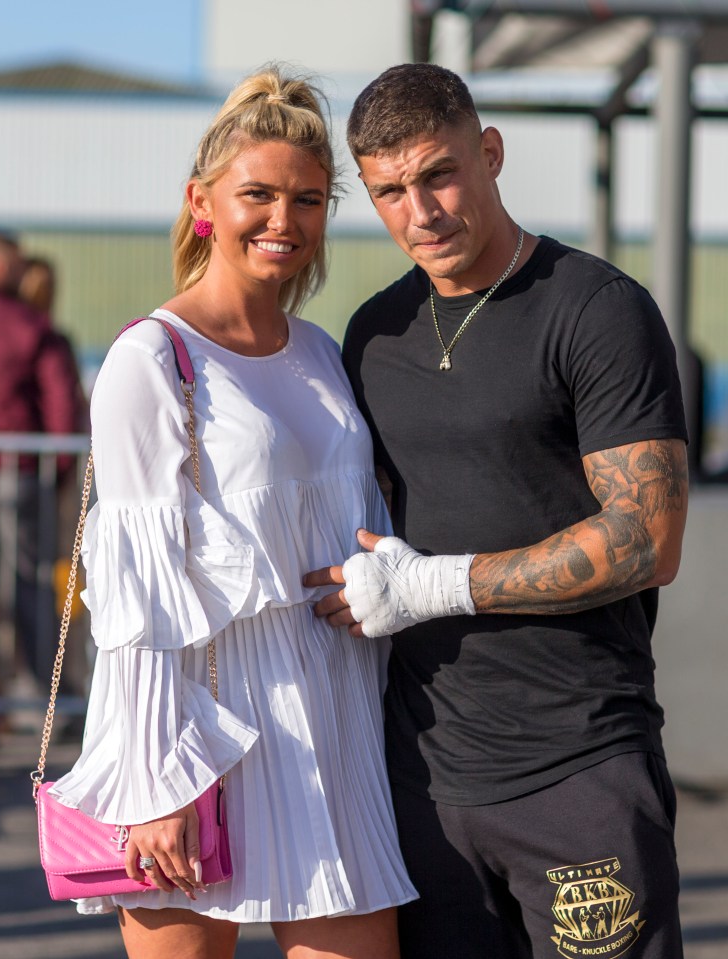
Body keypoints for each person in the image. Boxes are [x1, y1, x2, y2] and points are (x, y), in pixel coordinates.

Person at [305, 63, 689, 958]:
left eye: (439, 175)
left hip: (579, 758)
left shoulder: (597, 309)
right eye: (391, 191)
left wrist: (438, 585)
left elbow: (650, 538)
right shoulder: (374, 333)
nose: (421, 213)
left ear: (490, 152)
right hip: (424, 777)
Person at [48, 66, 416, 959]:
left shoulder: (326, 356)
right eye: (257, 194)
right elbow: (135, 594)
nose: (283, 221)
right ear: (202, 202)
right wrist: (156, 783)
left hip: (331, 726)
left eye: (308, 198)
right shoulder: (153, 358)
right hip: (200, 735)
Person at [0, 232, 85, 747]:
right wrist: (62, 470)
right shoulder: (31, 326)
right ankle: (48, 700)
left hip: (14, 468)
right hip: (19, 474)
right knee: (28, 588)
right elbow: (61, 404)